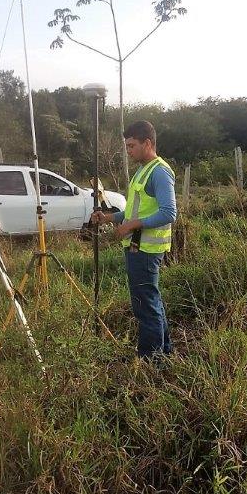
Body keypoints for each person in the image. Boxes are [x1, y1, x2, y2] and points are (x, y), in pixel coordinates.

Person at [92, 120, 177, 360]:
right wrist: (110, 217)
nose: (128, 151)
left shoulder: (159, 172)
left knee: (145, 306)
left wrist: (130, 225)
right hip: (137, 247)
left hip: (146, 250)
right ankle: (165, 352)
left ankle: (150, 361)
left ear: (147, 143)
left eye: (131, 146)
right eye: (127, 146)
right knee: (151, 301)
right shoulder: (143, 169)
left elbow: (169, 212)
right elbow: (134, 211)